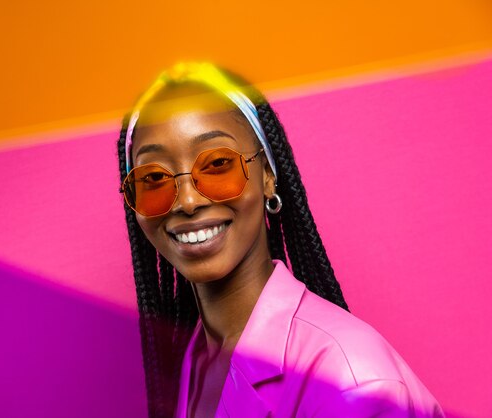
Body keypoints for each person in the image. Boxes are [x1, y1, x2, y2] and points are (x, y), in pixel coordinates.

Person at [116, 62, 444, 418]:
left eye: (217, 164)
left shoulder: (350, 379)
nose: (187, 200)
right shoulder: (193, 359)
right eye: (153, 178)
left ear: (268, 176)